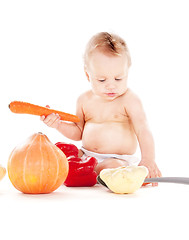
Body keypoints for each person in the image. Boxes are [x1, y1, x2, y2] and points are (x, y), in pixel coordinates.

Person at [40, 32, 162, 186]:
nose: (111, 85)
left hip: (117, 160)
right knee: (58, 152)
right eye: (102, 79)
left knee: (112, 167)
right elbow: (78, 132)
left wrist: (148, 159)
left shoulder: (129, 100)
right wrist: (57, 124)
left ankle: (89, 173)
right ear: (88, 75)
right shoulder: (84, 100)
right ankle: (81, 170)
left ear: (127, 73)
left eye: (118, 78)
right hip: (86, 155)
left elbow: (143, 130)